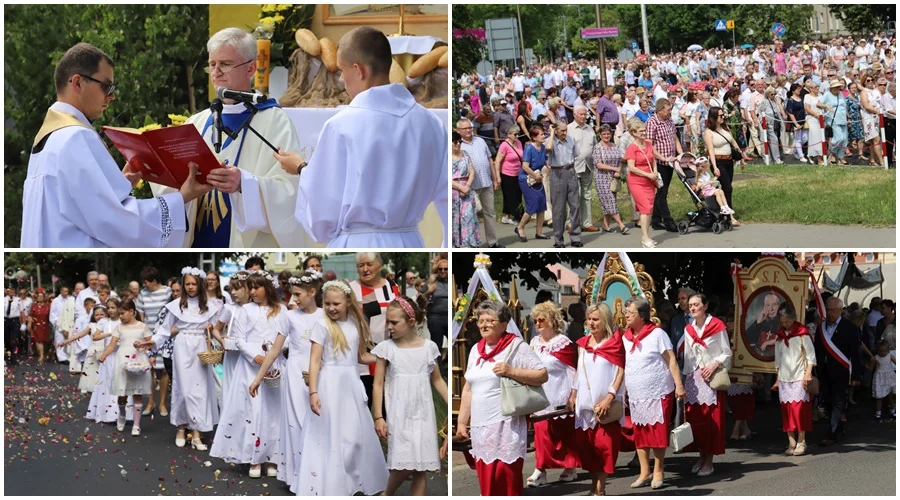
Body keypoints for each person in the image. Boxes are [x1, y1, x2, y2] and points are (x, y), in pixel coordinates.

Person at [20, 42, 209, 247]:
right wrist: (181, 199)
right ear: (77, 83)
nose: (112, 96)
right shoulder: (76, 137)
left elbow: (78, 207)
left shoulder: (51, 138)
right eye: (106, 86)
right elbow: (117, 223)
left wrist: (115, 186)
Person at [284, 26, 447, 248]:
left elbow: (322, 215)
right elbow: (447, 196)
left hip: (358, 242)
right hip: (409, 241)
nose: (341, 79)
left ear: (359, 70)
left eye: (342, 71)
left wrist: (302, 169)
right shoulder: (432, 123)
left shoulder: (341, 125)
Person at [294, 280, 388, 495]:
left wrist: (384, 358)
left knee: (353, 436)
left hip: (351, 385)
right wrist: (313, 392)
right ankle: (334, 484)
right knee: (333, 436)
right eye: (327, 303)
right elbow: (315, 361)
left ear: (347, 302)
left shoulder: (355, 324)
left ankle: (353, 480)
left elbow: (360, 356)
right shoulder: (322, 325)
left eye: (336, 304)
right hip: (330, 386)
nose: (331, 308)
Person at [455, 301, 548, 496]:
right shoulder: (476, 350)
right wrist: (462, 423)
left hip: (505, 424)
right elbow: (468, 389)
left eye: (490, 320)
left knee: (506, 482)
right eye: (481, 320)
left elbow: (542, 375)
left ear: (504, 324)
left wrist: (511, 370)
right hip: (481, 426)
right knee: (487, 483)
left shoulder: (515, 346)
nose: (484, 325)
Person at [372, 297, 447, 496]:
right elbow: (378, 384)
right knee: (404, 463)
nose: (389, 326)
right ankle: (387, 494)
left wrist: (453, 405)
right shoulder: (387, 348)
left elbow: (437, 380)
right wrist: (379, 416)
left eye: (394, 322)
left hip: (423, 412)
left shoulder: (428, 347)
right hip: (399, 413)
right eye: (387, 321)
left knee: (419, 466)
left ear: (411, 322)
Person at [139, 268, 221, 450]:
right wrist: (152, 342)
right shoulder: (177, 305)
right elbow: (165, 329)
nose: (190, 287)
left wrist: (217, 335)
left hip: (200, 345)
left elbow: (214, 327)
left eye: (193, 284)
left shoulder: (210, 306)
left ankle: (197, 432)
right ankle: (181, 427)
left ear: (199, 284)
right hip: (183, 345)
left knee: (200, 390)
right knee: (183, 390)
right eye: (187, 284)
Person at [621, 297, 684, 489]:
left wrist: (679, 385)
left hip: (658, 391)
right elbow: (624, 365)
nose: (626, 316)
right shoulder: (625, 337)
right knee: (640, 434)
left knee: (657, 433)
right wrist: (622, 390)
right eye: (626, 312)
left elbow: (671, 360)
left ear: (642, 315)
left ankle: (658, 470)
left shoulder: (657, 334)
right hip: (636, 393)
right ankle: (644, 471)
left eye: (630, 313)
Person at [570, 303, 625, 496]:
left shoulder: (615, 344)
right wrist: (574, 393)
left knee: (605, 447)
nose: (591, 323)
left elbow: (620, 373)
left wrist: (610, 397)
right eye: (589, 319)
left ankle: (600, 489)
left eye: (596, 319)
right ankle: (594, 486)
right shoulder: (583, 344)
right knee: (589, 449)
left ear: (605, 321)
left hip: (605, 405)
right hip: (585, 404)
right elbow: (579, 371)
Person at [526, 302, 579, 487]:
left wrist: (573, 394)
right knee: (541, 433)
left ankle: (570, 468)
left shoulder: (563, 343)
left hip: (559, 392)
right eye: (535, 320)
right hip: (540, 395)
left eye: (542, 319)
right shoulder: (533, 343)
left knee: (563, 434)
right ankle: (540, 469)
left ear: (552, 320)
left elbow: (572, 370)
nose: (538, 323)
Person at [682, 293, 731, 477]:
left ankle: (709, 461)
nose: (692, 308)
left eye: (696, 304)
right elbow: (688, 356)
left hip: (711, 378)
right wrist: (686, 381)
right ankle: (701, 457)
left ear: (705, 306)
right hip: (695, 379)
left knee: (711, 422)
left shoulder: (717, 326)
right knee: (697, 422)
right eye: (690, 305)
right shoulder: (689, 329)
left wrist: (713, 365)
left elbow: (727, 352)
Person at [350, 253, 400, 404]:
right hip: (361, 355)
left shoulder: (391, 287)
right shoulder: (351, 289)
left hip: (387, 351)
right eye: (361, 265)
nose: (365, 269)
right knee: (363, 403)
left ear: (379, 265)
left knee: (387, 405)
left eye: (369, 264)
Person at [97, 299, 152, 436]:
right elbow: (112, 344)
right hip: (123, 360)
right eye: (119, 313)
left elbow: (150, 343)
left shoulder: (142, 326)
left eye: (122, 313)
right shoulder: (119, 328)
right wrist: (104, 355)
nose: (120, 316)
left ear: (131, 312)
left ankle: (136, 424)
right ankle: (122, 413)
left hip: (138, 360)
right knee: (123, 393)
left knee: (137, 392)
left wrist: (147, 351)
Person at [815, 297, 862, 447]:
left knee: (838, 402)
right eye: (828, 309)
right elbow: (817, 350)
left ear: (841, 310)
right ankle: (838, 427)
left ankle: (831, 434)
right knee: (827, 401)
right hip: (824, 371)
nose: (829, 313)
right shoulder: (820, 328)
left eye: (833, 310)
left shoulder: (850, 328)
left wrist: (855, 375)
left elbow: (855, 353)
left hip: (841, 371)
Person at [772, 304, 816, 456]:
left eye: (787, 322)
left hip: (799, 376)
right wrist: (777, 379)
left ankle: (802, 440)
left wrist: (808, 373)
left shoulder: (803, 334)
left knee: (799, 410)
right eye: (782, 322)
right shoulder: (780, 337)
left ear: (793, 319)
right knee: (787, 411)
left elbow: (811, 356)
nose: (785, 325)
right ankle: (791, 441)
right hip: (784, 378)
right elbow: (778, 361)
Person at [457, 119, 501, 248]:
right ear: (458, 130)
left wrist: (495, 178)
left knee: (490, 213)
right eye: (465, 128)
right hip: (470, 186)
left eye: (469, 127)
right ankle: (471, 243)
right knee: (471, 215)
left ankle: (492, 242)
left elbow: (489, 159)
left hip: (486, 182)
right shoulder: (458, 145)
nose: (468, 130)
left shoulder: (480, 141)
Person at [624, 119, 662, 248]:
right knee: (645, 207)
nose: (644, 133)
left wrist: (655, 173)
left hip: (650, 180)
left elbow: (653, 160)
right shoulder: (632, 148)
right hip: (637, 181)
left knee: (649, 209)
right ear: (634, 133)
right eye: (641, 131)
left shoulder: (648, 144)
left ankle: (648, 236)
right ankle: (644, 238)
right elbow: (631, 167)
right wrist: (647, 174)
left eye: (644, 130)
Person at [646, 99, 682, 234]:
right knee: (662, 192)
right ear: (660, 110)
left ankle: (655, 220)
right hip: (659, 163)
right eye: (667, 110)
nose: (670, 112)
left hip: (671, 162)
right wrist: (663, 158)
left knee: (663, 190)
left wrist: (681, 155)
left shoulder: (669, 121)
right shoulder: (652, 122)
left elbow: (675, 138)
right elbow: (649, 146)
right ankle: (668, 220)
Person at [545, 122, 583, 248]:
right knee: (559, 209)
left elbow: (576, 155)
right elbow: (548, 149)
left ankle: (575, 237)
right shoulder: (550, 141)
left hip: (571, 171)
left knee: (575, 206)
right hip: (557, 173)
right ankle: (558, 240)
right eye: (561, 131)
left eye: (565, 130)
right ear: (556, 131)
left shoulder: (571, 140)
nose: (564, 133)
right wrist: (551, 133)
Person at [703, 107, 742, 227]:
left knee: (727, 189)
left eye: (723, 115)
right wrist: (714, 167)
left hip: (729, 161)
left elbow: (733, 142)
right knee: (728, 188)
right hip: (719, 162)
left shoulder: (725, 128)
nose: (723, 117)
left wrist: (741, 156)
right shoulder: (709, 132)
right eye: (720, 116)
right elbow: (711, 151)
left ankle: (724, 211)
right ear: (714, 117)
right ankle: (730, 216)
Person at [591, 125, 629, 234]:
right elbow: (599, 165)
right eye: (604, 134)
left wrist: (618, 171)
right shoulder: (598, 147)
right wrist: (614, 169)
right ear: (600, 135)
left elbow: (620, 160)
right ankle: (621, 225)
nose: (606, 136)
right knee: (609, 201)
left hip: (614, 178)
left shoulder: (614, 146)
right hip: (602, 177)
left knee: (608, 201)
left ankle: (606, 225)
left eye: (608, 133)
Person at [568, 105, 600, 233]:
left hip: (588, 166)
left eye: (585, 114)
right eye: (581, 114)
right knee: (575, 195)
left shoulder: (589, 129)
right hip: (574, 167)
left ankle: (587, 222)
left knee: (587, 195)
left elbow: (595, 146)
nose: (583, 116)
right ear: (575, 115)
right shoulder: (569, 129)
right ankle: (572, 222)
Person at [515, 125, 550, 242]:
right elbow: (524, 166)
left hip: (537, 178)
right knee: (533, 204)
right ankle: (520, 227)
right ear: (534, 137)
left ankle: (539, 232)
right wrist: (535, 175)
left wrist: (553, 169)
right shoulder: (529, 148)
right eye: (541, 134)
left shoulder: (543, 147)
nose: (543, 136)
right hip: (526, 179)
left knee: (541, 204)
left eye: (543, 134)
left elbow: (546, 162)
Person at [451, 131, 481, 248]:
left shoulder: (465, 154)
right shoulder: (445, 157)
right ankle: (455, 245)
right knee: (454, 219)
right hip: (453, 190)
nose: (458, 144)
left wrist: (467, 186)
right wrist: (460, 187)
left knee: (468, 217)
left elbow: (472, 171)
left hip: (466, 188)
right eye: (455, 142)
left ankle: (470, 244)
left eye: (460, 142)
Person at [495, 123, 524, 227]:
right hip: (507, 174)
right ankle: (517, 217)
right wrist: (498, 176)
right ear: (509, 134)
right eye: (515, 134)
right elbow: (497, 161)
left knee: (517, 195)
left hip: (518, 173)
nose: (517, 136)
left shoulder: (519, 143)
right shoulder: (504, 145)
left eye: (518, 134)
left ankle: (506, 217)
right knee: (511, 196)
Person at [422, 257, 449, 357]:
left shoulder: (452, 282)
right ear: (437, 270)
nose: (443, 271)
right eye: (440, 269)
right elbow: (420, 299)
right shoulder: (431, 282)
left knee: (453, 344)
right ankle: (438, 371)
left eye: (446, 269)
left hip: (450, 318)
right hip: (435, 318)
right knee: (436, 346)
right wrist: (429, 291)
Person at [821, 79, 849, 164]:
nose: (837, 89)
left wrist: (848, 117)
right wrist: (826, 106)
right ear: (831, 88)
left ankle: (841, 157)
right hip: (833, 120)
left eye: (838, 87)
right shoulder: (827, 95)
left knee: (844, 139)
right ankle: (832, 153)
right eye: (835, 87)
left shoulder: (840, 94)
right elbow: (818, 104)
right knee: (838, 138)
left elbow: (844, 106)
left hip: (843, 119)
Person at [859, 74, 885, 167]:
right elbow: (866, 106)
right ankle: (882, 162)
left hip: (877, 117)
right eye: (868, 80)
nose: (870, 82)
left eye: (871, 80)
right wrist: (877, 111)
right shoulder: (864, 92)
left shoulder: (875, 91)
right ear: (864, 82)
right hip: (869, 117)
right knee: (876, 139)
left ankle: (872, 159)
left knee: (873, 140)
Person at [50, 286, 78, 368]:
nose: (66, 293)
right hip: (59, 322)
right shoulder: (55, 301)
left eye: (67, 291)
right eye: (64, 291)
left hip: (68, 322)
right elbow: (52, 313)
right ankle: (61, 357)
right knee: (60, 339)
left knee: (68, 340)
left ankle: (68, 357)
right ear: (61, 291)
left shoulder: (69, 299)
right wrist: (56, 322)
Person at [869, 340, 896, 422]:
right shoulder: (875, 357)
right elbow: (871, 367)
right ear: (877, 350)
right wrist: (871, 362)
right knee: (879, 397)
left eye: (884, 351)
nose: (882, 353)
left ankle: (893, 410)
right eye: (880, 351)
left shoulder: (890, 356)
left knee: (890, 396)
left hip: (889, 378)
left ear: (888, 350)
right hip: (879, 378)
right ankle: (878, 412)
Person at [804, 81, 826, 165]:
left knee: (821, 138)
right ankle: (818, 158)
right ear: (811, 88)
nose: (817, 88)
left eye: (818, 86)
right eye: (816, 87)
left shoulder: (820, 96)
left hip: (821, 119)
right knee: (815, 138)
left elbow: (823, 105)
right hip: (812, 119)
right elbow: (807, 108)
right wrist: (816, 114)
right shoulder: (807, 96)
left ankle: (816, 155)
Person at [27, 291, 51, 364]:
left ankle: (44, 354)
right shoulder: (34, 306)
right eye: (38, 296)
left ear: (44, 297)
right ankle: (41, 355)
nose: (40, 297)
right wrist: (29, 324)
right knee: (39, 341)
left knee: (45, 342)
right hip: (37, 326)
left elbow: (51, 316)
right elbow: (31, 315)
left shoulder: (48, 306)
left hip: (45, 326)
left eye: (41, 296)